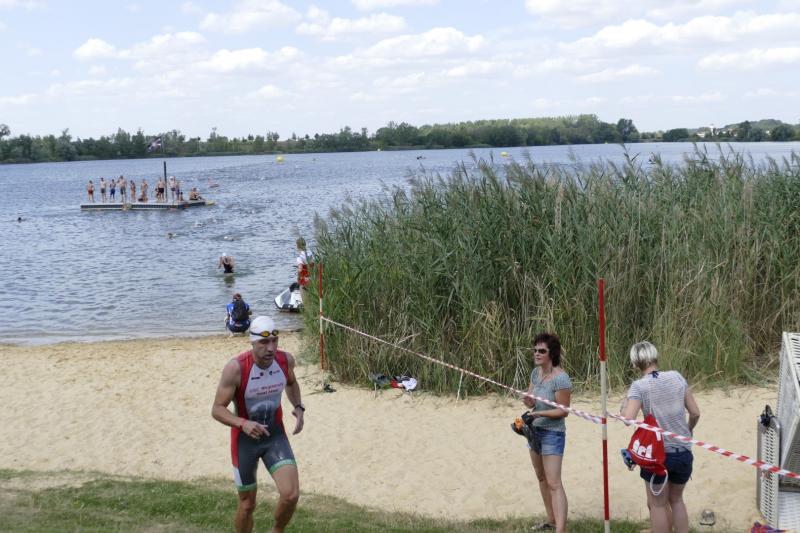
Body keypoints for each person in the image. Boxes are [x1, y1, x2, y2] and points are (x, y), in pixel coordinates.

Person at [211, 315, 304, 533]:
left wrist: (298, 406)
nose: (270, 348)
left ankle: (276, 530)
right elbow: (217, 409)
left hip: (275, 436)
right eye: (263, 342)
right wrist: (242, 423)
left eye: (274, 340)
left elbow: (291, 383)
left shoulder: (285, 361)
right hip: (245, 442)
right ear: (252, 342)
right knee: (247, 505)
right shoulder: (236, 368)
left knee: (291, 495)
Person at [621, 341, 700, 533]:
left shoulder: (639, 386)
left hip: (658, 455)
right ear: (655, 357)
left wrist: (625, 402)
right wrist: (688, 430)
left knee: (658, 504)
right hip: (683, 452)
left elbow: (628, 419)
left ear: (635, 364)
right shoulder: (677, 377)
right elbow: (695, 413)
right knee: (677, 500)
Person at [521, 332, 571, 533]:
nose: (537, 353)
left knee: (554, 483)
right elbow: (532, 400)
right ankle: (551, 520)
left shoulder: (561, 379)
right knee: (541, 477)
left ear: (552, 353)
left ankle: (561, 529)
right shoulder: (536, 373)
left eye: (541, 351)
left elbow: (563, 411)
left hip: (553, 433)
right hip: (534, 431)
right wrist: (529, 402)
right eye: (535, 350)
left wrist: (539, 413)